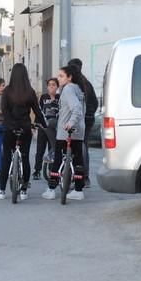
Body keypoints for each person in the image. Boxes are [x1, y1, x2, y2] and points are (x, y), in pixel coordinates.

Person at [0, 63, 46, 200]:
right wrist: (43, 124)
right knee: (25, 158)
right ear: (25, 75)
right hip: (25, 128)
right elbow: (37, 111)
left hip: (9, 128)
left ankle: (1, 191)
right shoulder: (30, 91)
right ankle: (23, 190)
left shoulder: (7, 91)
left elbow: (5, 111)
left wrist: (11, 123)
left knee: (6, 158)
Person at [42, 65, 86, 201]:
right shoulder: (79, 89)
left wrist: (71, 122)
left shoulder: (67, 89)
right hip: (79, 131)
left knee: (57, 160)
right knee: (78, 160)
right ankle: (78, 190)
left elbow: (76, 108)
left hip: (66, 131)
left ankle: (51, 189)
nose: (58, 78)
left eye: (61, 76)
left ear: (69, 77)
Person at [68, 58, 98, 187]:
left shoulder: (74, 85)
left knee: (78, 146)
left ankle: (80, 176)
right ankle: (84, 177)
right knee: (83, 145)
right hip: (88, 118)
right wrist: (90, 114)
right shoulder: (87, 83)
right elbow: (95, 102)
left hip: (79, 119)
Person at [32, 78, 60, 180]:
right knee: (40, 149)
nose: (51, 87)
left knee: (52, 149)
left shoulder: (59, 97)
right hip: (43, 126)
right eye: (49, 85)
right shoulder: (43, 97)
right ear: (47, 87)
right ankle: (37, 170)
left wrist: (53, 99)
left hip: (53, 127)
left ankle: (51, 170)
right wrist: (36, 123)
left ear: (57, 87)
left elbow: (60, 110)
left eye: (54, 85)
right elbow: (39, 110)